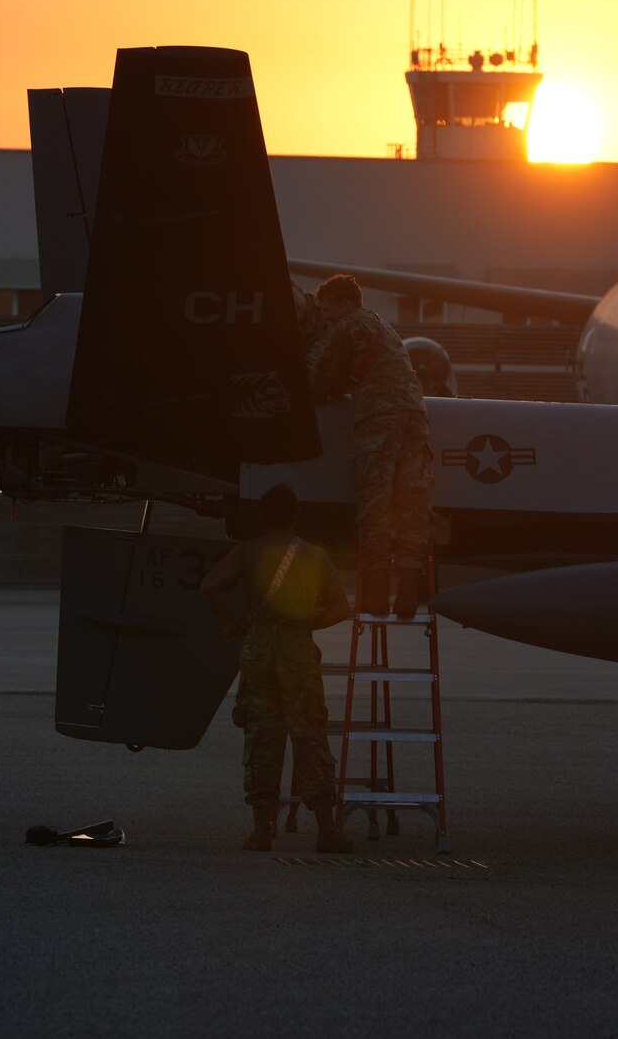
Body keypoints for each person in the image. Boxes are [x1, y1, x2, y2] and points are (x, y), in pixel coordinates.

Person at [200, 483, 353, 853]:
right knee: (309, 735)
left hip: (258, 650)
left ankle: (262, 830)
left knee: (262, 735)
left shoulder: (248, 551)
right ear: (296, 515)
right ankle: (326, 831)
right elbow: (341, 608)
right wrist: (305, 625)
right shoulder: (316, 555)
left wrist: (227, 624)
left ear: (264, 517)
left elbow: (208, 586)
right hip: (297, 650)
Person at [305, 274, 435, 617]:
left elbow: (317, 378)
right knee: (411, 504)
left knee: (375, 502)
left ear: (346, 304)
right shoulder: (381, 324)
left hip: (379, 418)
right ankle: (407, 594)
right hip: (414, 416)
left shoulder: (349, 325)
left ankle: (376, 596)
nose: (326, 317)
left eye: (328, 310)